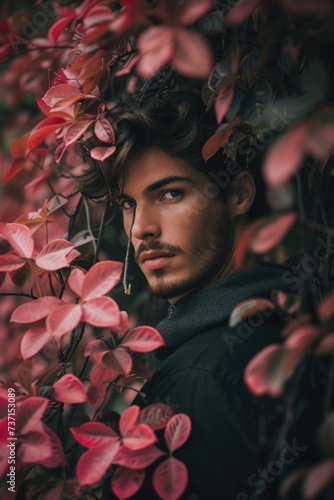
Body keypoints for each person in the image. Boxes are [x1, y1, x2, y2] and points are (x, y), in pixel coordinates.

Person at [78, 94, 319, 499]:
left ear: (238, 193)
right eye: (127, 204)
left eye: (170, 194)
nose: (141, 228)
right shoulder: (294, 322)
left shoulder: (200, 378)